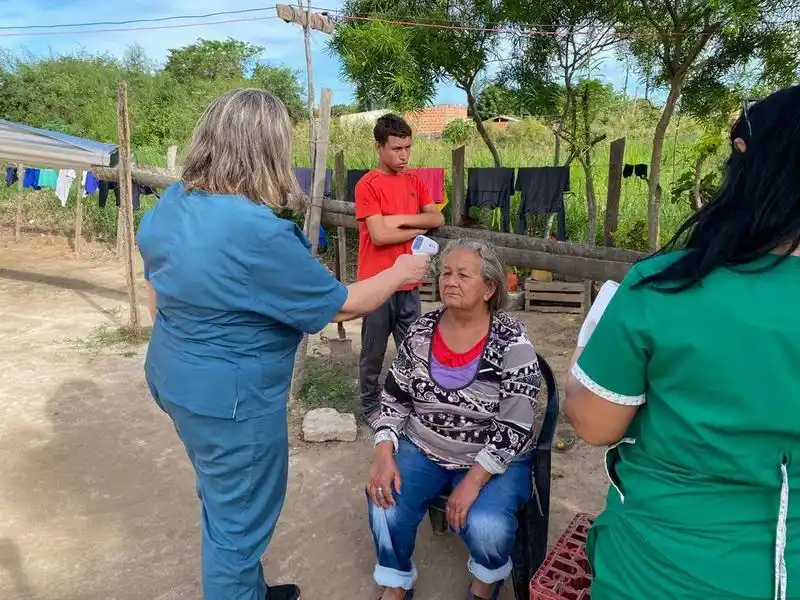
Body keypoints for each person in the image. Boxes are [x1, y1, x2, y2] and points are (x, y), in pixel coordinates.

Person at [135, 89, 431, 600]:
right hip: (232, 403)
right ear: (267, 151)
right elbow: (339, 304)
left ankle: (250, 588)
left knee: (223, 498)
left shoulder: (172, 204)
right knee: (238, 527)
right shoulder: (257, 231)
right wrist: (403, 271)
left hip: (172, 378)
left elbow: (158, 289)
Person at [564, 86, 800, 600]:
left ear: (748, 163)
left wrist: (584, 358)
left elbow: (595, 422)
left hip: (659, 571)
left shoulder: (666, 287)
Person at [366, 239, 543, 600]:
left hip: (492, 456)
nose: (450, 281)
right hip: (425, 444)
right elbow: (394, 398)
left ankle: (485, 582)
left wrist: (473, 482)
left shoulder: (512, 340)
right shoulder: (420, 331)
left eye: (463, 274)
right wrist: (383, 453)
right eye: (446, 272)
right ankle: (396, 582)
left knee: (487, 526)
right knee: (383, 500)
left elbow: (515, 427)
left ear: (489, 288)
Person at [356, 114, 445, 425]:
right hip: (377, 285)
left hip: (409, 283)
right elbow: (379, 236)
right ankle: (369, 406)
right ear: (379, 147)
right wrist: (412, 231)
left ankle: (411, 403)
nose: (403, 155)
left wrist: (396, 220)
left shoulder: (414, 181)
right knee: (373, 351)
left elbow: (437, 219)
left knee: (413, 349)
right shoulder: (367, 185)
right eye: (396, 148)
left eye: (407, 147)